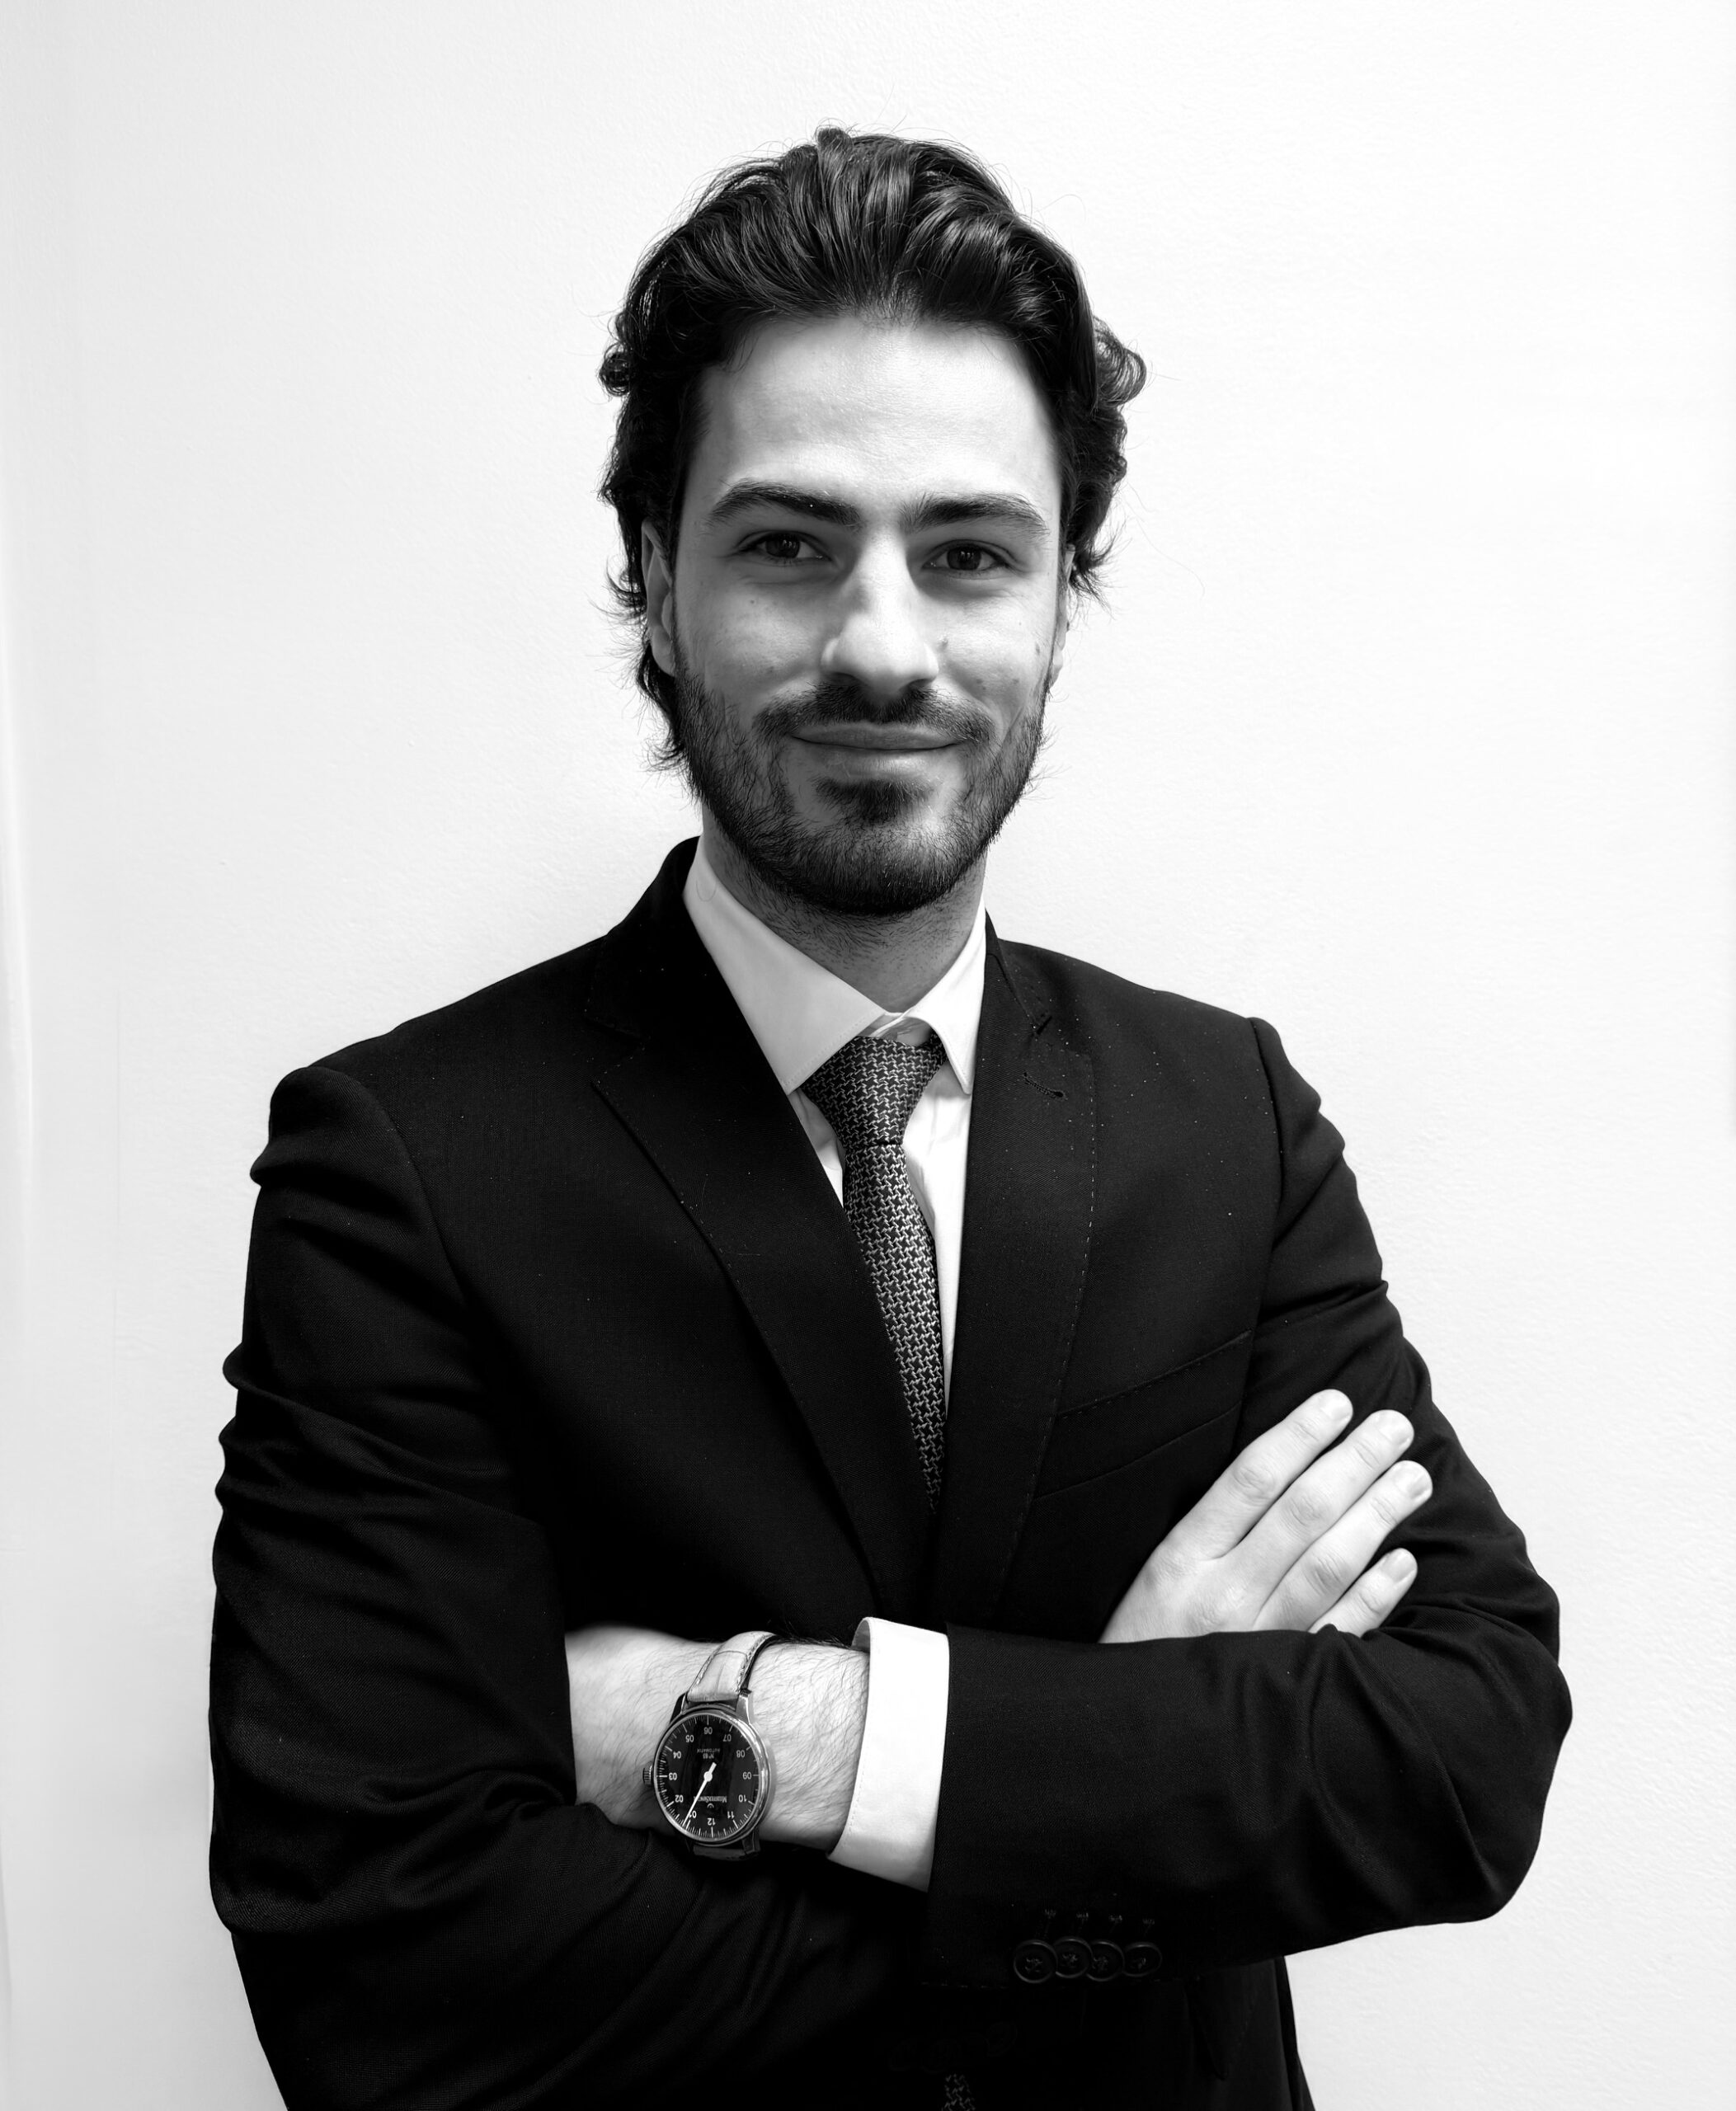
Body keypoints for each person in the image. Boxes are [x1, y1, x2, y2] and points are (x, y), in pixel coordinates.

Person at [209, 129, 1569, 2111]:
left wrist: (796, 1736)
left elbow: (1464, 1752)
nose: (883, 644)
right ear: (655, 582)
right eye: (787, 543)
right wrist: (1120, 1759)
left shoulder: (1229, 1122)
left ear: (1063, 595)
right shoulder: (405, 1172)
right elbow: (389, 1987)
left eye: (969, 552)